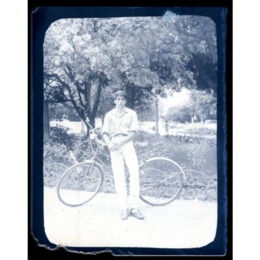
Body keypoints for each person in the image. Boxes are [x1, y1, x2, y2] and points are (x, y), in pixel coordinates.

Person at [102, 89, 144, 220]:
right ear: (114, 100)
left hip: (127, 144)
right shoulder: (109, 115)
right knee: (119, 176)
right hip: (113, 145)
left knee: (134, 173)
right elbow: (104, 132)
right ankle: (124, 208)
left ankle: (135, 207)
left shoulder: (131, 113)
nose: (120, 101)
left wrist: (121, 142)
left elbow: (135, 132)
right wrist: (108, 143)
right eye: (118, 99)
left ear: (125, 101)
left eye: (122, 99)